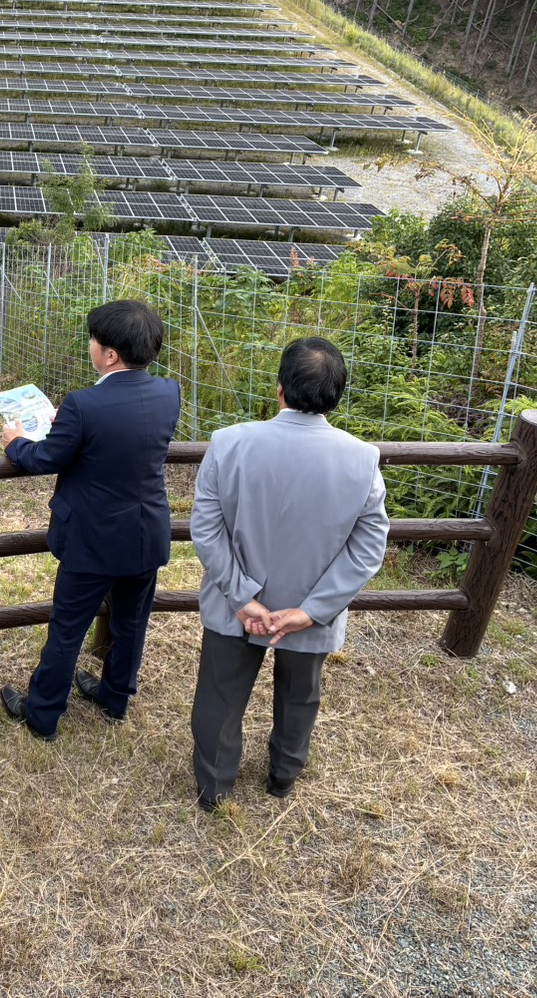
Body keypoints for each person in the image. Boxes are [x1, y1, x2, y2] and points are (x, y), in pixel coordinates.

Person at [189, 336, 390, 811]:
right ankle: (283, 774)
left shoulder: (229, 443)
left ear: (279, 388)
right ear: (338, 395)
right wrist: (310, 611)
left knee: (220, 695)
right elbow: (367, 549)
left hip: (236, 608)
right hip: (307, 613)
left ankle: (214, 786)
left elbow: (205, 527)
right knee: (300, 696)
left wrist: (242, 597)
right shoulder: (362, 460)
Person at [0, 300, 181, 740]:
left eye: (94, 341)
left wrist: (15, 442)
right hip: (144, 533)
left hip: (92, 539)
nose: (91, 346)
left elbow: (45, 458)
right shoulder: (168, 392)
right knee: (131, 623)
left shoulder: (84, 404)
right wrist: (74, 428)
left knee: (67, 629)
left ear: (111, 354)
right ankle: (115, 698)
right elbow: (126, 438)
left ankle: (42, 715)